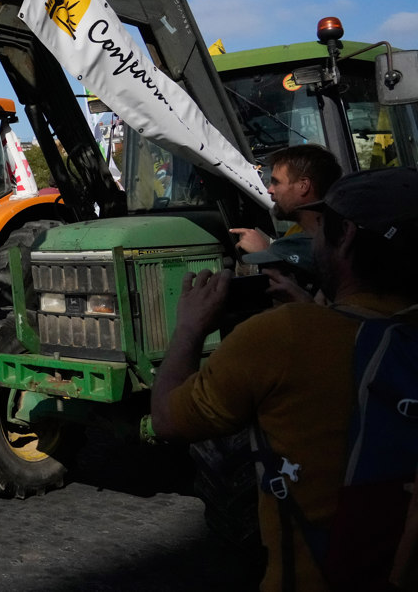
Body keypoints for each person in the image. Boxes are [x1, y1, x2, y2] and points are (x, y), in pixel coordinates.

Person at [152, 168, 418, 592]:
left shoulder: (283, 337)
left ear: (345, 235)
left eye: (319, 230)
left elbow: (167, 418)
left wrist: (187, 329)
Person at [230, 144, 341, 254]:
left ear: (303, 186)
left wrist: (265, 253)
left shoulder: (336, 240)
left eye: (276, 182)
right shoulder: (295, 233)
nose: (270, 190)